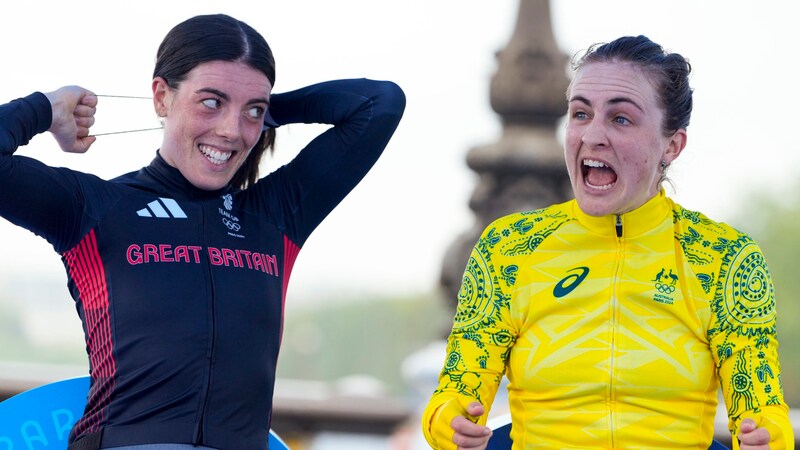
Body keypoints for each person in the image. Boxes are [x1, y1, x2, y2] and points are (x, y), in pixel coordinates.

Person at [0, 13, 405, 450]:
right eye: (211, 102)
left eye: (252, 111)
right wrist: (46, 107)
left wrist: (270, 110)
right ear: (162, 97)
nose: (232, 131)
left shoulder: (278, 214)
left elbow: (379, 103)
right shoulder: (94, 208)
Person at [421, 35, 793, 450]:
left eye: (620, 119)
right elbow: (455, 391)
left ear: (672, 144)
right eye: (580, 114)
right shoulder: (509, 247)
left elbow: (762, 408)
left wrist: (768, 437)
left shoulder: (724, 257)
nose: (592, 135)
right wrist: (450, 423)